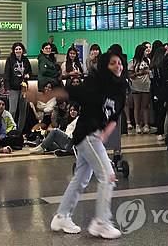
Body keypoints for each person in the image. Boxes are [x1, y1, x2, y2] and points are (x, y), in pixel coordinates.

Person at [51, 52, 127, 239]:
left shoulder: (120, 88)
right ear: (104, 66)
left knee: (81, 178)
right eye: (112, 63)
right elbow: (73, 93)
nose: (118, 66)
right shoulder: (96, 83)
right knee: (107, 176)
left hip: (95, 136)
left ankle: (62, 216)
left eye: (119, 63)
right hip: (87, 135)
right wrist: (46, 94)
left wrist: (106, 133)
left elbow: (115, 117)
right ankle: (102, 222)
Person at [3, 42, 32, 118]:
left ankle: (20, 129)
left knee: (23, 110)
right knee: (12, 110)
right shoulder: (9, 60)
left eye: (20, 49)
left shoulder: (25, 60)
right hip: (13, 88)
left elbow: (30, 71)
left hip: (23, 88)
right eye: (16, 49)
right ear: (13, 50)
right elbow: (6, 74)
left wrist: (28, 74)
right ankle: (10, 128)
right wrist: (7, 88)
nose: (18, 51)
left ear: (22, 50)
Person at [128, 44, 152, 134]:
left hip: (146, 85)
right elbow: (130, 75)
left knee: (145, 106)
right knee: (137, 106)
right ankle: (137, 125)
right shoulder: (132, 62)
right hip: (136, 86)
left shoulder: (148, 61)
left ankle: (146, 124)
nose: (146, 53)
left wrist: (148, 72)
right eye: (145, 51)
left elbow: (149, 72)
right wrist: (140, 73)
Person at [150, 46, 167, 141]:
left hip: (157, 92)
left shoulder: (155, 66)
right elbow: (157, 81)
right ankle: (161, 130)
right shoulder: (157, 67)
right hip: (159, 92)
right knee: (161, 112)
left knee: (160, 112)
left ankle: (161, 130)